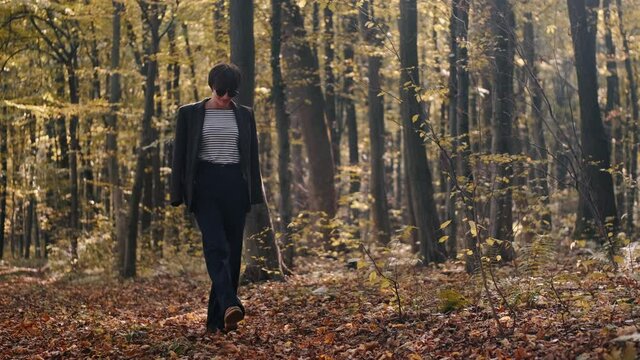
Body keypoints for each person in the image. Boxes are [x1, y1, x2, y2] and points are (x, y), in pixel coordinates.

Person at [169, 63, 265, 333]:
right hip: (205, 186)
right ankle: (231, 301)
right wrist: (177, 193)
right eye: (220, 91)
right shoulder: (189, 114)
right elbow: (180, 156)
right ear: (211, 86)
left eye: (231, 92)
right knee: (216, 246)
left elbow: (251, 157)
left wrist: (253, 194)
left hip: (235, 184)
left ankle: (218, 322)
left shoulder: (245, 115)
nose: (225, 97)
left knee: (233, 253)